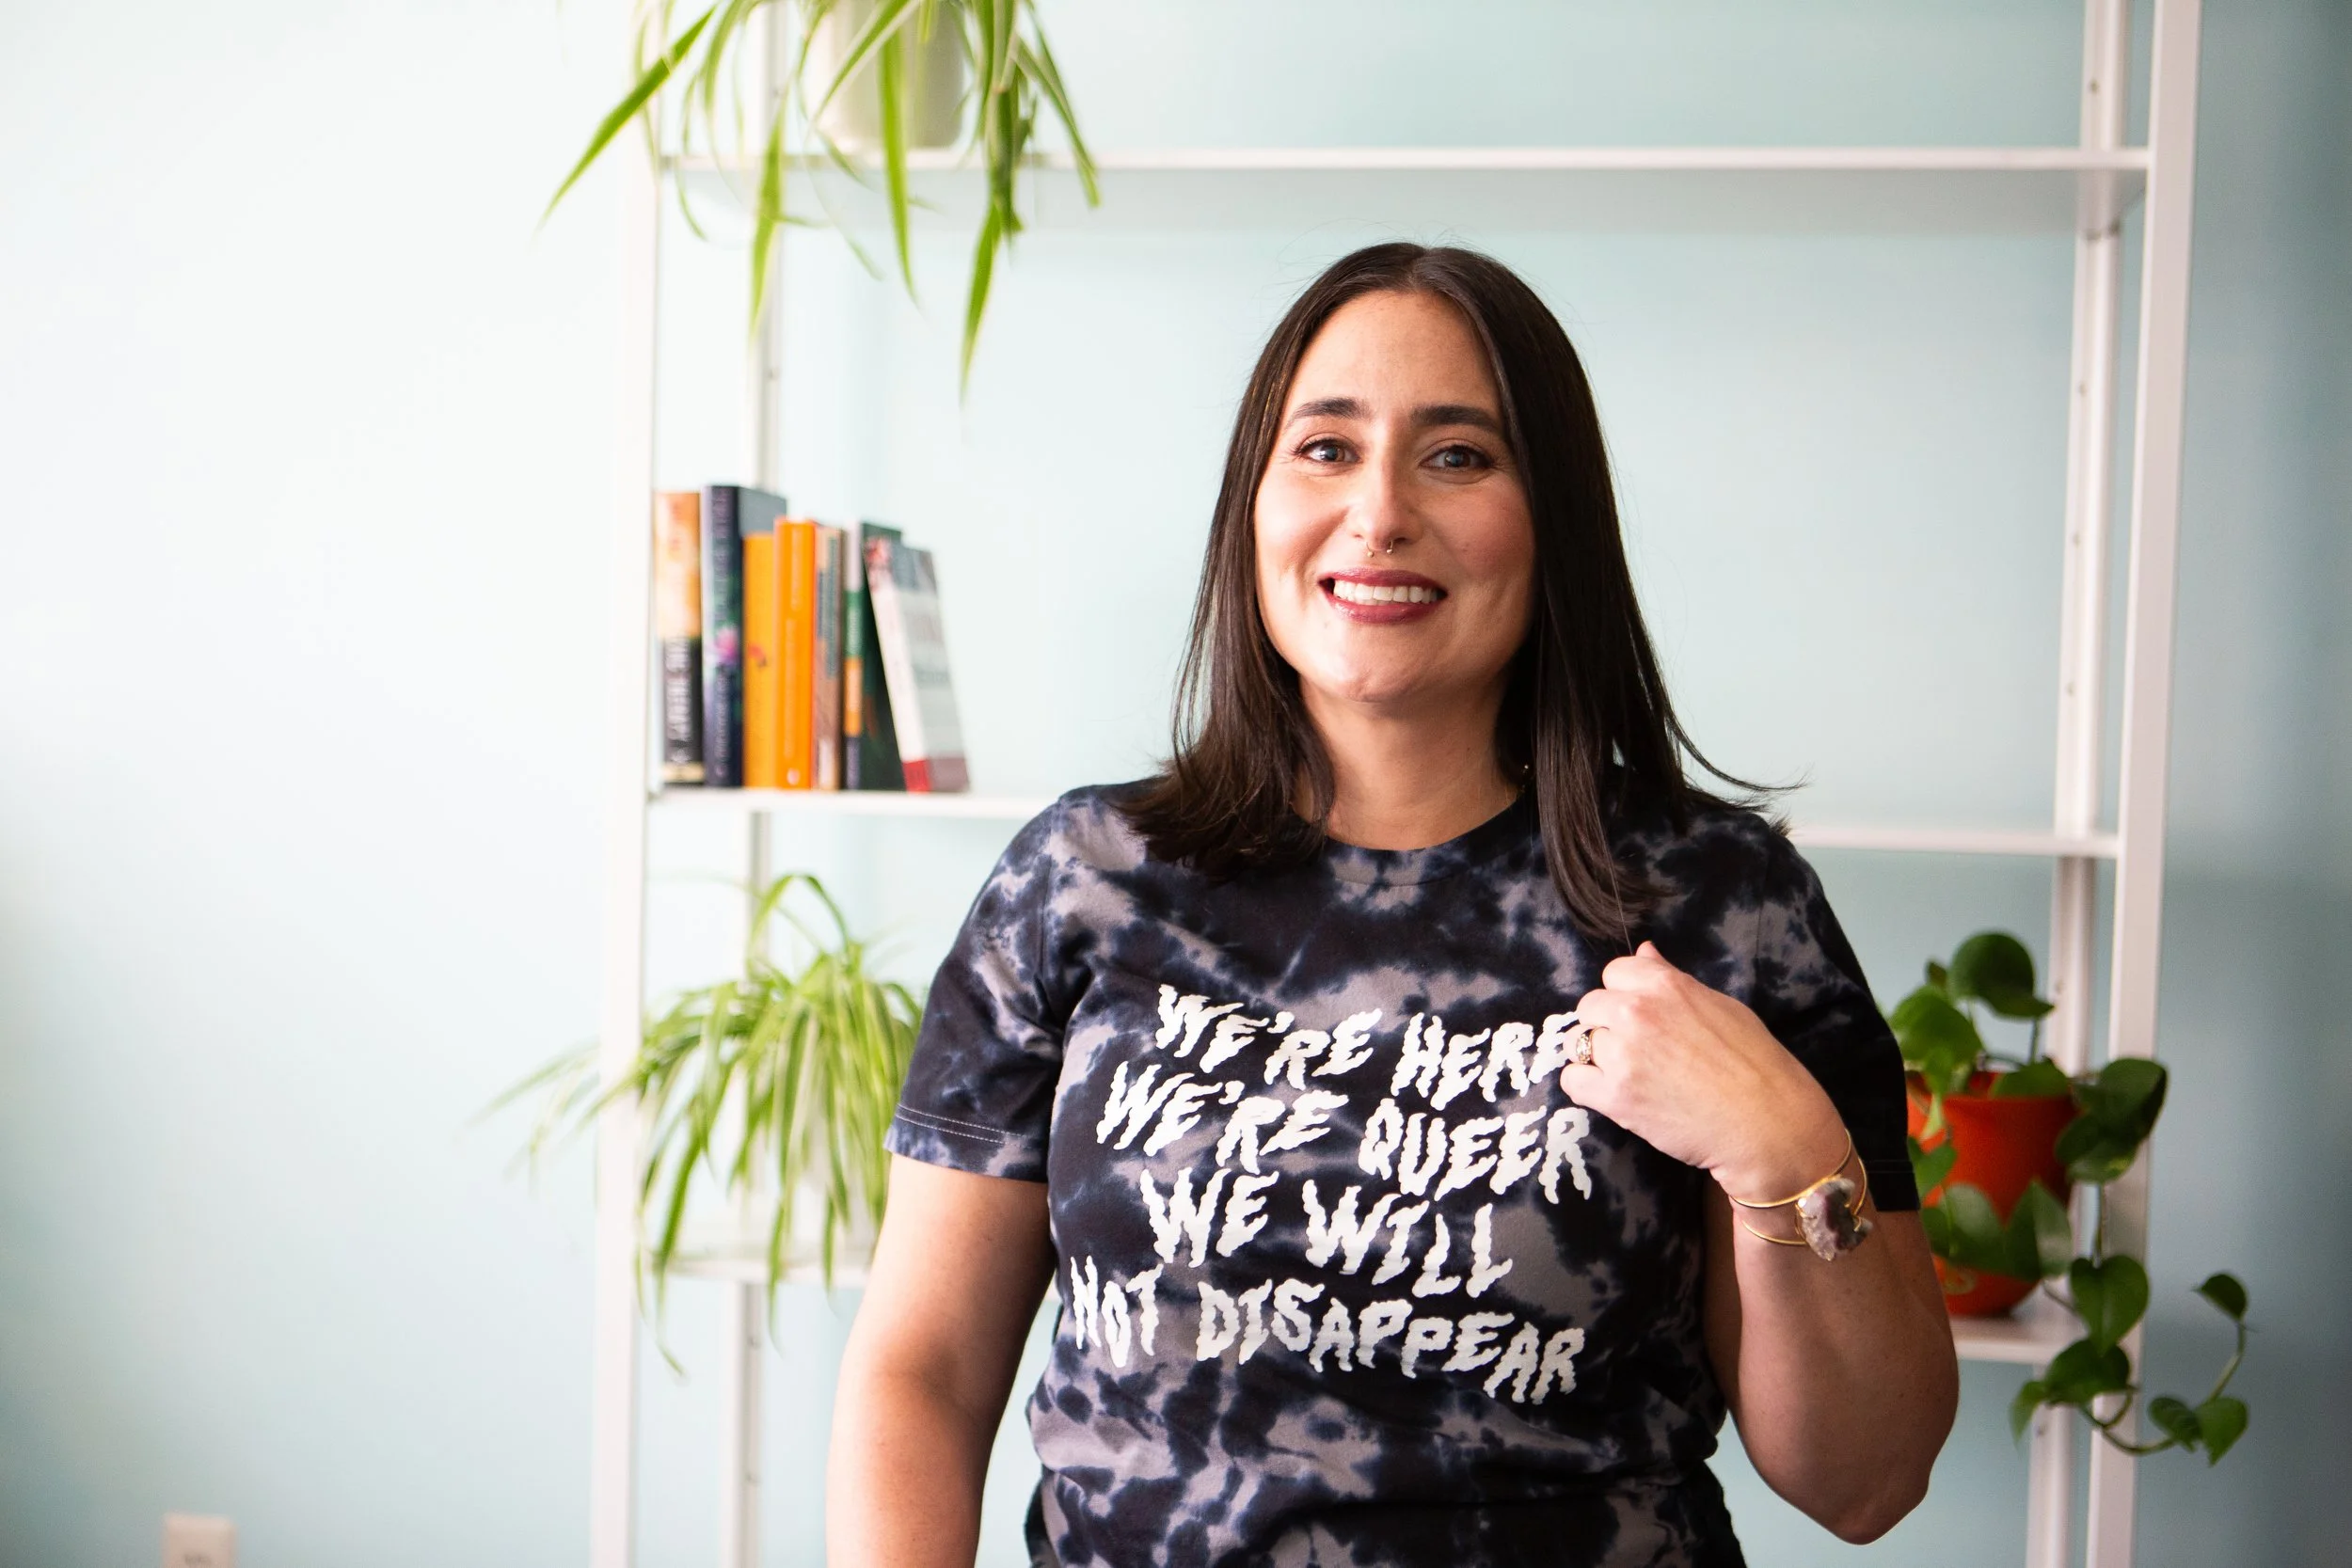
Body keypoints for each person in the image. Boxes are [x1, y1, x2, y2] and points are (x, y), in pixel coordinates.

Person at [826, 243, 1958, 1568]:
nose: (1377, 514)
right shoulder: (1080, 881)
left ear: (1554, 521)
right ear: (1254, 503)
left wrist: (1788, 1149)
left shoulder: (1721, 904)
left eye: (1458, 455)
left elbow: (1866, 1479)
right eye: (1325, 449)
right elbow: (922, 1374)